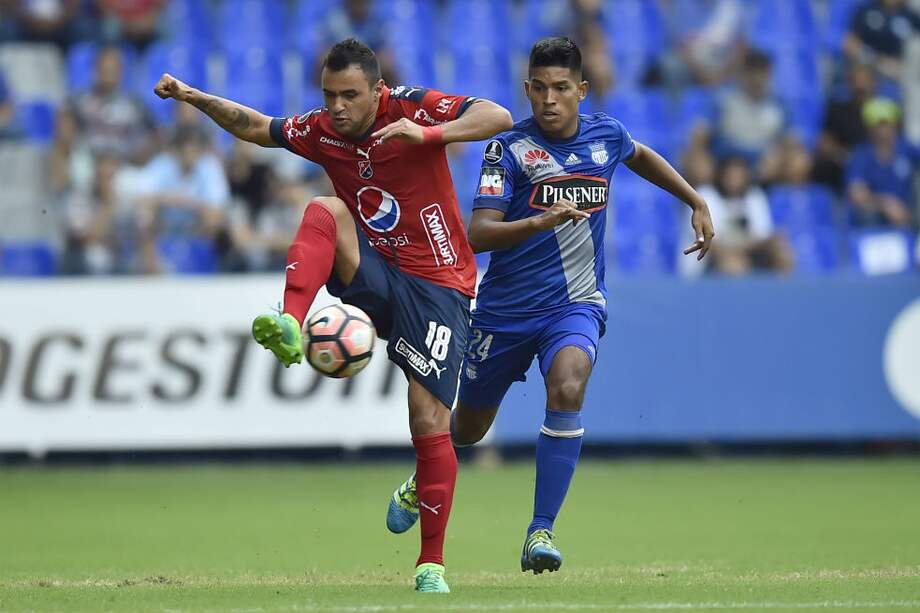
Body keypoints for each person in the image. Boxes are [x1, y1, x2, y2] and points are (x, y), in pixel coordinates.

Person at [154, 38, 512, 593]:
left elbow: (498, 115)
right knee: (325, 209)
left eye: (350, 95)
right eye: (329, 94)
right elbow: (256, 127)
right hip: (376, 271)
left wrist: (431, 134)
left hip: (440, 283)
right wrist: (191, 95)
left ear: (377, 91)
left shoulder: (412, 107)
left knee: (427, 420)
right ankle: (292, 321)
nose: (337, 106)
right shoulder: (322, 130)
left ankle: (430, 563)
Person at [385, 37, 714, 573]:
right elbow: (480, 234)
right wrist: (540, 220)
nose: (550, 99)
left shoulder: (606, 135)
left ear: (582, 90)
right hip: (504, 312)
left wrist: (694, 199)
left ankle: (541, 531)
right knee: (467, 428)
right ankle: (421, 479)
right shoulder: (508, 150)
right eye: (540, 88)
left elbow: (642, 156)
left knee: (568, 381)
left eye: (562, 88)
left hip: (575, 303)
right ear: (527, 89)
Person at [687, 156, 792, 276]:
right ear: (720, 176)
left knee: (782, 251)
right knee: (733, 265)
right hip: (711, 258)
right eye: (730, 177)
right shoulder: (705, 196)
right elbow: (705, 240)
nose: (734, 181)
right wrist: (731, 253)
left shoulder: (755, 196)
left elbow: (762, 236)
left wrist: (740, 251)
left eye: (738, 177)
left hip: (749, 252)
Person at [847, 97, 918, 228]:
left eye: (888, 123)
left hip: (908, 214)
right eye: (879, 124)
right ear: (870, 127)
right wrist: (886, 204)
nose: (884, 129)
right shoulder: (861, 155)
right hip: (875, 219)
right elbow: (857, 194)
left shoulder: (906, 148)